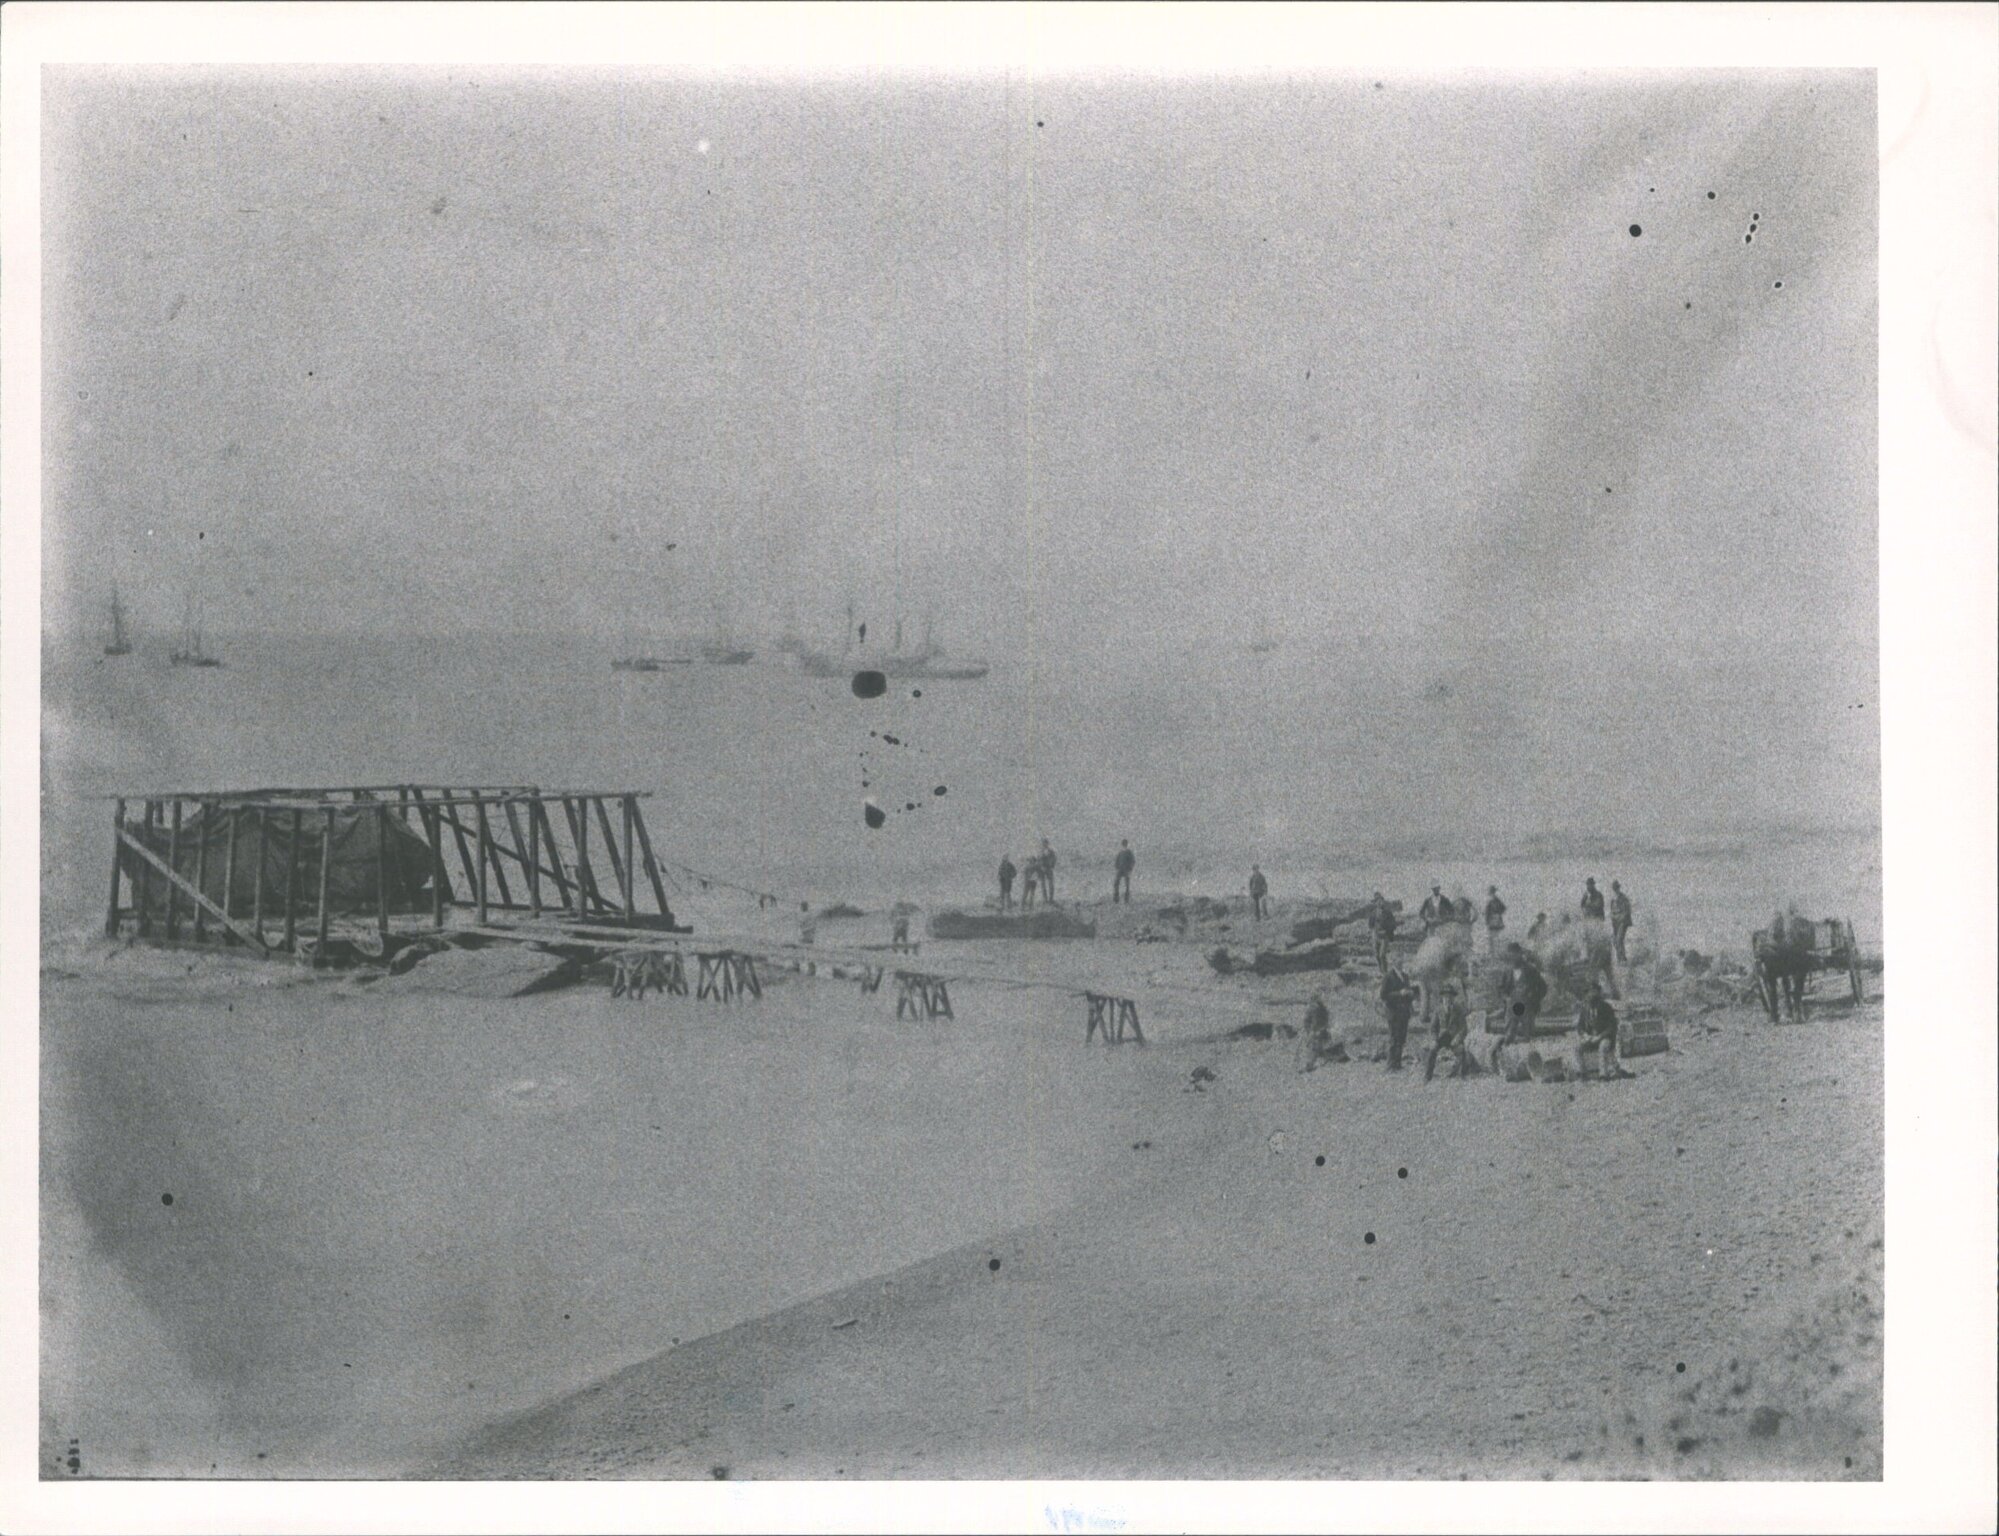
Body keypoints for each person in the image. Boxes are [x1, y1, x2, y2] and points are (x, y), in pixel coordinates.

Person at [1495, 942, 1548, 1047]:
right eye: (1511, 954)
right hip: (1511, 1008)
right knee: (1508, 1037)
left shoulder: (1531, 970)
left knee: (1528, 1038)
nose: (1513, 957)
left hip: (1527, 1008)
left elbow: (1543, 987)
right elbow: (1500, 989)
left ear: (1520, 954)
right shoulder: (1507, 971)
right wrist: (1506, 998)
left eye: (1515, 954)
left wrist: (1533, 999)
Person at [1425, 980, 1472, 1082]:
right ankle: (1427, 1076)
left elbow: (1463, 1028)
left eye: (1450, 996)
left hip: (1453, 1037)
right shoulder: (1438, 1010)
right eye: (1445, 997)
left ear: (1453, 998)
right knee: (1432, 1050)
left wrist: (1457, 1038)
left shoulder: (1458, 1009)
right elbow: (1433, 1028)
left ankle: (1462, 1074)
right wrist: (1434, 1039)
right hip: (1441, 1037)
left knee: (1461, 1050)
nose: (1447, 999)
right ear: (1442, 997)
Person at [1576, 980, 1622, 1078]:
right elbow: (1580, 1027)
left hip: (1604, 1037)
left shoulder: (1606, 1007)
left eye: (1594, 991)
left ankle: (1603, 1073)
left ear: (1598, 993)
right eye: (1589, 992)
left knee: (1603, 1046)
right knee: (1578, 1048)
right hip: (1590, 1038)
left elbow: (1612, 1026)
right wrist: (1585, 1035)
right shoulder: (1585, 1009)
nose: (1591, 994)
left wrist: (1600, 1036)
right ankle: (1583, 1072)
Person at [1379, 961, 1417, 1070]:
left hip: (1404, 1012)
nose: (1400, 963)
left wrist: (1410, 994)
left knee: (1401, 1038)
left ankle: (1398, 1063)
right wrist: (1399, 993)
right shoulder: (1388, 976)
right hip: (1393, 1011)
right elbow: (1383, 995)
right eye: (1397, 960)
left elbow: (1409, 995)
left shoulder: (1405, 976)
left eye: (1401, 960)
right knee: (1394, 1038)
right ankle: (1390, 1064)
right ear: (1393, 962)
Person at [1297, 990, 1336, 1073]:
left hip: (1317, 1032)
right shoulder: (1317, 1009)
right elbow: (1307, 1021)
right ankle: (1313, 1063)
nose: (1313, 1003)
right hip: (1315, 1032)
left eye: (1314, 1000)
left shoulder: (1320, 1009)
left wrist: (1315, 1030)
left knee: (1315, 1048)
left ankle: (1310, 1065)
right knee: (1315, 1048)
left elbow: (1323, 1021)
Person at [1368, 891, 1397, 971]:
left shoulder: (1388, 913)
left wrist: (1387, 930)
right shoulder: (1373, 913)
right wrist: (1373, 933)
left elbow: (1393, 924)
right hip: (1376, 936)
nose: (1379, 902)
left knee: (1382, 955)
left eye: (1380, 900)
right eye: (1377, 901)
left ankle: (1385, 972)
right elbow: (1370, 925)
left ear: (1383, 901)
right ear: (1375, 903)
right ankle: (1381, 971)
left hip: (1385, 937)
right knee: (1377, 955)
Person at [1609, 880, 1633, 962]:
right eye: (1614, 888)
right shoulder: (1613, 899)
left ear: (1619, 888)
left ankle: (1622, 959)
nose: (1616, 890)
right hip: (1615, 922)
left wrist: (1621, 918)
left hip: (1623, 921)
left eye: (1617, 888)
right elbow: (1611, 911)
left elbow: (1627, 910)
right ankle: (1620, 958)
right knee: (1615, 940)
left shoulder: (1623, 898)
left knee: (1619, 939)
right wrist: (1613, 918)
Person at [1113, 840, 1135, 904]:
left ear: (1127, 844)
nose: (1124, 845)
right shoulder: (1120, 852)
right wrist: (1117, 867)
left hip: (1126, 870)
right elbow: (1117, 861)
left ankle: (1126, 899)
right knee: (1116, 883)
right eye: (1123, 844)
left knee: (1127, 885)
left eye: (1125, 844)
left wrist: (1130, 869)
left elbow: (1132, 861)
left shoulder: (1129, 852)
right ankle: (1116, 899)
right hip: (1120, 869)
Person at [1038, 840, 1059, 904]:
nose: (1044, 845)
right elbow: (1038, 860)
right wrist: (1041, 866)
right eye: (1043, 843)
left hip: (1049, 869)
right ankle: (1045, 899)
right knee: (1043, 885)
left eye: (1045, 843)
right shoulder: (1040, 851)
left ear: (1047, 844)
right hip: (1042, 870)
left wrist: (1052, 866)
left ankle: (1051, 899)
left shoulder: (1051, 851)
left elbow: (1054, 859)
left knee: (1051, 884)